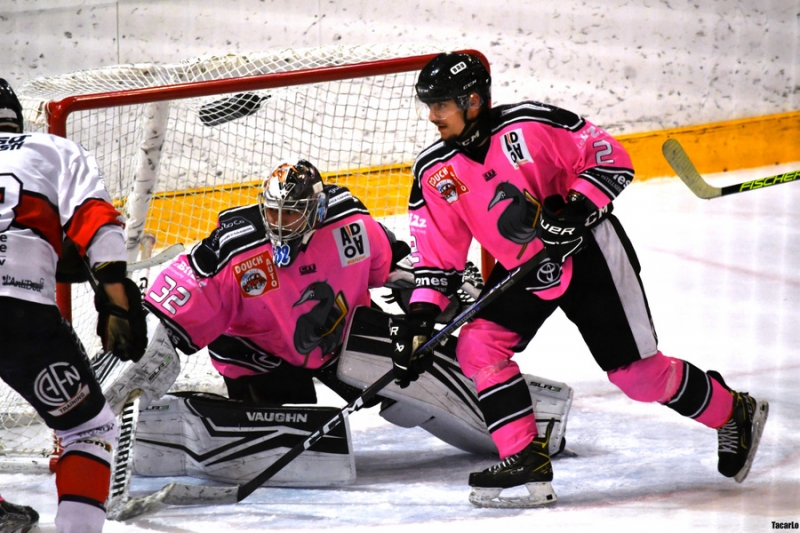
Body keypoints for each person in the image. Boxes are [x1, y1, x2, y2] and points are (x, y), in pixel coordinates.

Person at [391, 52, 769, 508]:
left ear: (472, 101)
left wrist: (574, 210)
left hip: (590, 254)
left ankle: (733, 410)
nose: (432, 116)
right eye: (429, 105)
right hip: (524, 269)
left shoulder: (530, 124)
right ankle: (523, 458)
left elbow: (611, 159)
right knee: (479, 346)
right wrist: (419, 319)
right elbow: (438, 261)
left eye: (441, 105)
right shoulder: (435, 171)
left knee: (639, 378)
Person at [140, 159, 573, 483]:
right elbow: (167, 315)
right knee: (299, 450)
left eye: (291, 213)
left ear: (316, 209)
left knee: (411, 385)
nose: (280, 224)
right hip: (260, 355)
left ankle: (518, 425)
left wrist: (442, 296)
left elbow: (398, 270)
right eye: (273, 213)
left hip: (344, 336)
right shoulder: (233, 251)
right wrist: (136, 374)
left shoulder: (350, 224)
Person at [0, 78, 147, 533]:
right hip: (19, 310)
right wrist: (116, 297)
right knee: (88, 430)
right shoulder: (51, 149)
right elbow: (96, 219)